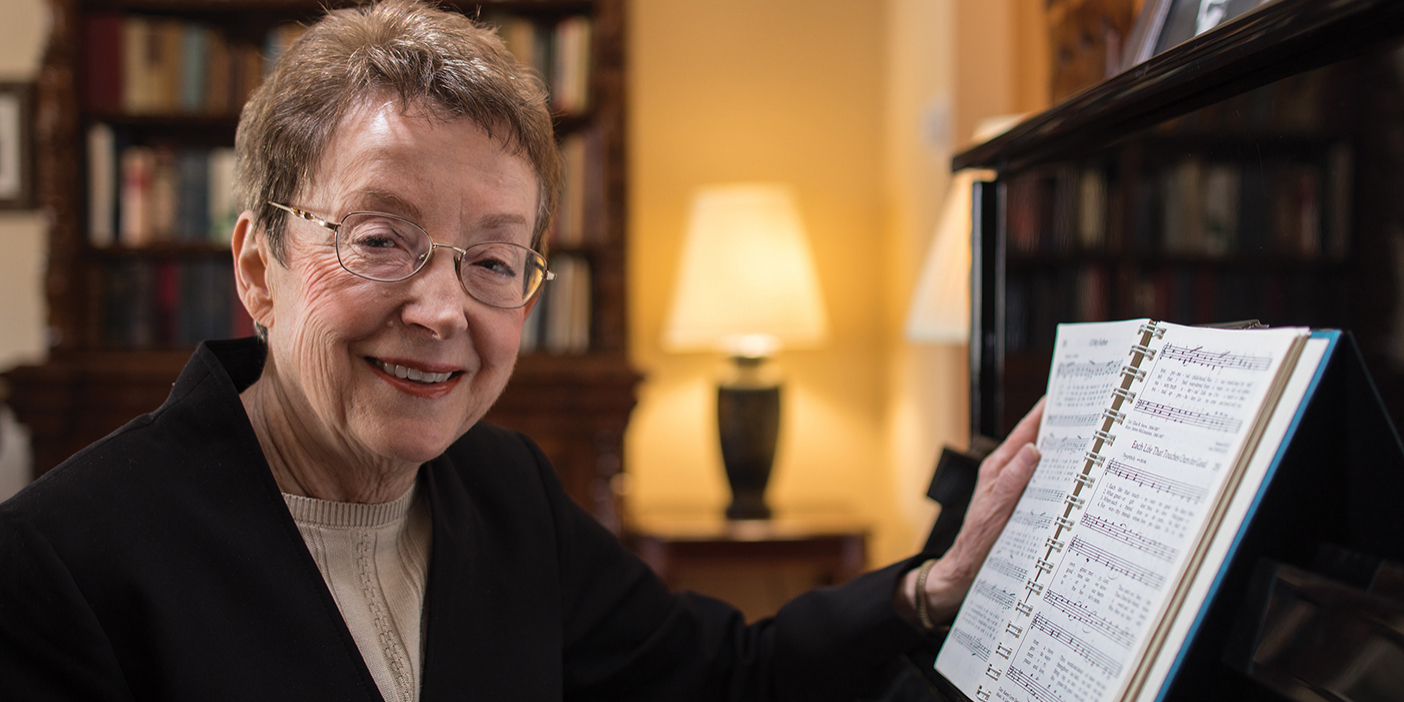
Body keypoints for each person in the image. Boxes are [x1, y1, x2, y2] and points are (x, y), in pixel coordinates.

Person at [0, 2, 1044, 699]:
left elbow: (725, 677)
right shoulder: (56, 562)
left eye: (495, 261)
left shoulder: (504, 489)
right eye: (379, 241)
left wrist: (929, 590)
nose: (443, 309)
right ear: (259, 266)